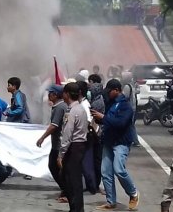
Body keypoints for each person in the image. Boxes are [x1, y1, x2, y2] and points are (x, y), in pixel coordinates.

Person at [91, 79, 139, 211]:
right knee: (106, 172)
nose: (107, 94)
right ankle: (111, 201)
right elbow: (107, 121)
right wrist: (97, 118)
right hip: (108, 141)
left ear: (117, 90)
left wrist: (103, 117)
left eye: (109, 91)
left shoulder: (125, 106)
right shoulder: (109, 103)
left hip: (121, 143)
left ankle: (133, 194)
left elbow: (121, 123)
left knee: (119, 169)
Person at [59, 82, 89, 212]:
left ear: (67, 94)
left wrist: (61, 154)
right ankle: (76, 208)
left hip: (73, 147)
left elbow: (67, 133)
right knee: (74, 179)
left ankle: (76, 208)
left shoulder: (72, 111)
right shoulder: (81, 108)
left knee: (72, 181)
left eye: (64, 93)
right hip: (80, 146)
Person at [37, 84, 68, 202]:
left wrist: (42, 137)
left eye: (50, 93)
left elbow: (54, 126)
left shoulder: (60, 108)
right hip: (58, 144)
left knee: (56, 167)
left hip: (59, 145)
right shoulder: (60, 106)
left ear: (55, 95)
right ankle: (65, 190)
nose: (48, 95)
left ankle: (67, 191)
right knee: (55, 167)